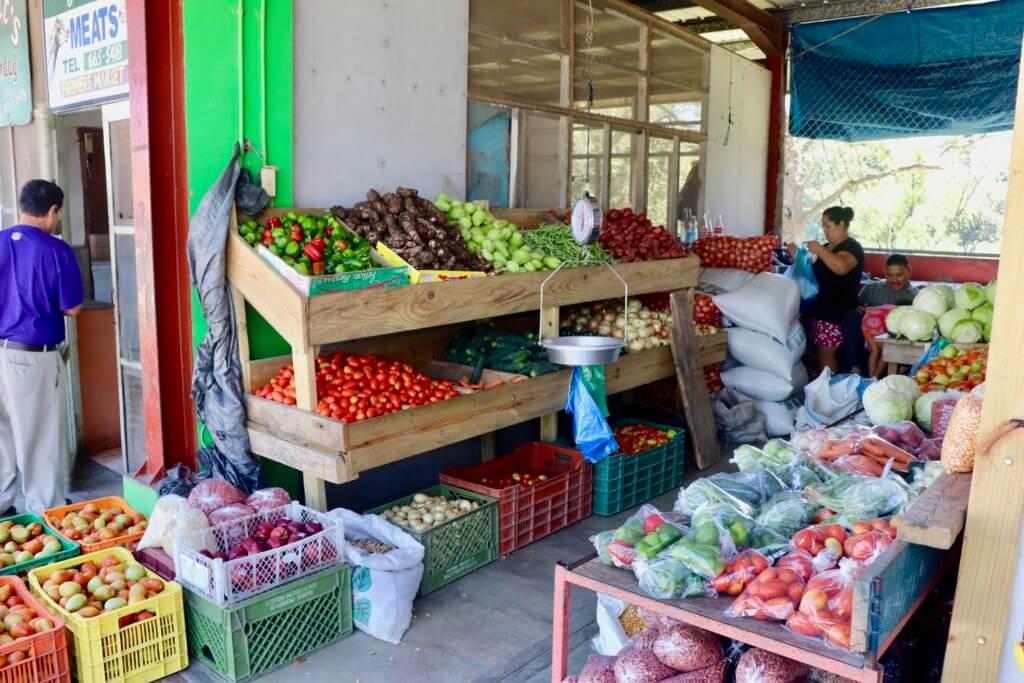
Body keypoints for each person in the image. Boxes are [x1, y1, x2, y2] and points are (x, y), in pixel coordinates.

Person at [0, 180, 82, 515]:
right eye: (57, 212)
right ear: (52, 211)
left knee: (3, 435)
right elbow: (72, 307)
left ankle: (3, 504)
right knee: (41, 437)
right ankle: (46, 509)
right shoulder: (55, 249)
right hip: (32, 358)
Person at [787, 206, 864, 373]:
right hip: (820, 310)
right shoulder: (827, 247)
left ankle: (829, 390)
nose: (824, 231)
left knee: (826, 353)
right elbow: (810, 265)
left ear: (841, 224)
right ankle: (824, 388)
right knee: (820, 353)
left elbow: (841, 267)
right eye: (823, 226)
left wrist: (819, 249)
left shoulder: (851, 247)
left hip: (836, 313)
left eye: (828, 226)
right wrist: (797, 254)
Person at [857, 254, 919, 377]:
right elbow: (857, 307)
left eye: (899, 275)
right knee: (851, 318)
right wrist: (860, 310)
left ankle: (896, 372)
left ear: (909, 271)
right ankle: (855, 368)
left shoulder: (917, 297)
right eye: (890, 275)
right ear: (884, 272)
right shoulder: (871, 288)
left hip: (897, 342)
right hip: (869, 338)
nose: (894, 280)